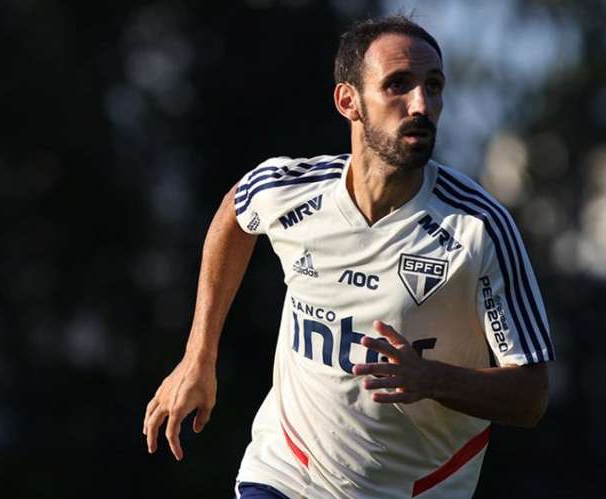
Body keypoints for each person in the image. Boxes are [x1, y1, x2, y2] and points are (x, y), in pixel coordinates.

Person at [143, 15, 554, 499]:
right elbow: (236, 210)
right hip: (287, 470)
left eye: (434, 86)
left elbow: (530, 394)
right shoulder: (291, 191)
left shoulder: (479, 228)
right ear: (348, 101)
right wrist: (199, 356)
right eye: (398, 85)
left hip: (419, 488)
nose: (421, 104)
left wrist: (430, 378)